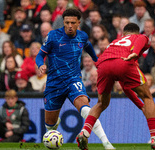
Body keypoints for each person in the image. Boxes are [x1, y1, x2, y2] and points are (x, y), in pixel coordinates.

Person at [76, 23, 155, 150]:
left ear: (123, 34)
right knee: (147, 96)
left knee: (101, 103)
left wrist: (141, 107)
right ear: (135, 32)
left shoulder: (115, 42)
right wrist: (135, 52)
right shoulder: (139, 37)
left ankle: (84, 132)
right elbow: (142, 39)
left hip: (103, 65)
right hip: (124, 61)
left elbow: (125, 86)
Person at [35, 8, 115, 149]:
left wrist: (97, 61)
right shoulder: (53, 36)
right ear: (63, 22)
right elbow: (40, 55)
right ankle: (54, 125)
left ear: (79, 23)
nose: (70, 26)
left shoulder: (82, 36)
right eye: (67, 22)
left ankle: (106, 143)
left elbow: (89, 47)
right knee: (49, 125)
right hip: (54, 84)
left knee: (86, 110)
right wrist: (41, 64)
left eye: (73, 22)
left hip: (73, 80)